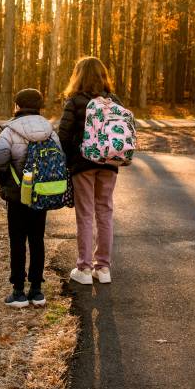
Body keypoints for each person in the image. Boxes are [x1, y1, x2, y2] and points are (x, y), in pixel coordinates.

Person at [0, 88, 60, 308]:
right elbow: (60, 158)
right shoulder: (50, 130)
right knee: (37, 239)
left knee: (18, 240)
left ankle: (19, 291)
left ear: (17, 106)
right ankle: (37, 291)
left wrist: (5, 185)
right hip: (41, 193)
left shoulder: (9, 131)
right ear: (40, 106)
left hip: (17, 194)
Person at [57, 56, 121, 285]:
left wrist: (66, 158)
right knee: (105, 212)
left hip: (83, 163)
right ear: (103, 75)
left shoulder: (75, 101)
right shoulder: (113, 101)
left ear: (79, 75)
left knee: (85, 214)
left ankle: (84, 269)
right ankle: (103, 268)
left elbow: (63, 135)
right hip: (110, 164)